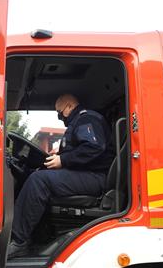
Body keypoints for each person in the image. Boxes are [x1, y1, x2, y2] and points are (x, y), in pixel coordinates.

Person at [8, 94, 115, 258]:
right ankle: (37, 235)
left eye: (60, 112)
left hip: (95, 177)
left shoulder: (86, 118)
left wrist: (63, 160)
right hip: (86, 174)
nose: (59, 117)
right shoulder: (77, 122)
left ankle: (19, 241)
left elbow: (94, 147)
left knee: (39, 180)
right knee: (37, 175)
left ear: (70, 106)